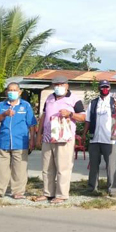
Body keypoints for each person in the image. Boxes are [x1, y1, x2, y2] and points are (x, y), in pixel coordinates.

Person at [35, 76, 86, 204]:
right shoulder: (49, 98)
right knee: (47, 167)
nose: (58, 87)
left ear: (67, 85)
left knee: (63, 167)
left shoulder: (74, 99)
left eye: (61, 84)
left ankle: (62, 194)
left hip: (65, 138)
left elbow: (83, 117)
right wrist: (39, 134)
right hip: (48, 137)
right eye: (56, 84)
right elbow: (44, 116)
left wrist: (70, 114)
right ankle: (48, 193)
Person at [0, 82, 37, 199]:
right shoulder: (2, 105)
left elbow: (31, 124)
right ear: (6, 92)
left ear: (20, 92)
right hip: (3, 141)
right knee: (0, 168)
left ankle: (18, 192)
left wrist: (33, 139)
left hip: (20, 142)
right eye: (10, 90)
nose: (12, 92)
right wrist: (5, 114)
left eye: (15, 90)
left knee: (19, 169)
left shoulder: (25, 106)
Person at [83, 80, 116, 197]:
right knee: (94, 165)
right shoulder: (93, 103)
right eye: (102, 87)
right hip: (94, 138)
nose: (104, 89)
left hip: (109, 139)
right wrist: (83, 134)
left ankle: (112, 189)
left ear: (110, 88)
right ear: (99, 89)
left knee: (111, 166)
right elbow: (88, 120)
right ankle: (92, 188)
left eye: (106, 87)